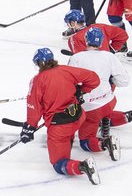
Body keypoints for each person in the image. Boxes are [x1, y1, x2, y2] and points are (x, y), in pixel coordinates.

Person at [66, 27, 132, 162]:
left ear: (86, 40)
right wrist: (111, 79)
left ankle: (105, 143)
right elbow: (124, 81)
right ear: (101, 42)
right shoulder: (109, 56)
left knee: (85, 141)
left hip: (90, 108)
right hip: (109, 102)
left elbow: (69, 85)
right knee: (104, 114)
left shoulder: (76, 58)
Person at [19, 47, 101, 185]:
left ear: (38, 63)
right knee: (66, 135)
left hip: (60, 126)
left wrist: (29, 127)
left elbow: (34, 107)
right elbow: (94, 78)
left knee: (58, 164)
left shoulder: (38, 80)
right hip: (78, 117)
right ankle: (68, 144)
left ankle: (83, 166)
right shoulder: (66, 70)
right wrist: (80, 91)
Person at [62, 9, 129, 55]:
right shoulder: (99, 27)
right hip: (108, 67)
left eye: (68, 24)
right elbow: (123, 35)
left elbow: (80, 60)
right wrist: (111, 49)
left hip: (91, 72)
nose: (68, 26)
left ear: (73, 23)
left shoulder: (73, 39)